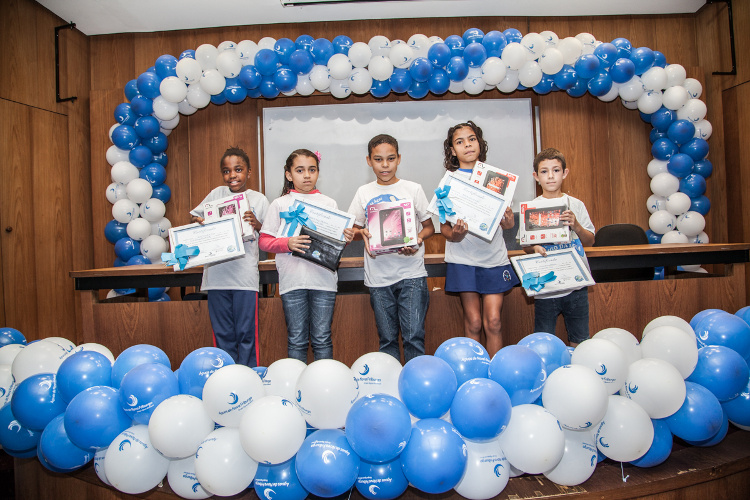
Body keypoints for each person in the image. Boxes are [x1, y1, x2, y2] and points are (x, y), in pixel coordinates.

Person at [259, 149, 354, 362]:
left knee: (322, 338)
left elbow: (335, 246)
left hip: (324, 281)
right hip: (293, 281)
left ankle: (325, 387)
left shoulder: (329, 203)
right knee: (296, 339)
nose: (307, 175)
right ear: (289, 175)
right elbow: (264, 241)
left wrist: (345, 237)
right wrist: (287, 243)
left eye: (312, 170)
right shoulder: (280, 204)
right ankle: (296, 388)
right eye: (300, 170)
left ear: (318, 172)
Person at [348, 134, 435, 363]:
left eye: (390, 158)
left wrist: (416, 239)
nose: (385, 165)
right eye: (378, 159)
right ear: (369, 161)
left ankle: (415, 387)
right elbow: (353, 231)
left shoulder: (413, 189)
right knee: (387, 339)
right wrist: (362, 233)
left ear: (399, 159)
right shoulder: (363, 192)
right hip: (378, 277)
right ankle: (390, 386)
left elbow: (429, 228)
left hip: (412, 274)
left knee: (413, 337)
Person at [440, 121, 517, 357]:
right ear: (453, 150)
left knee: (493, 321)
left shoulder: (497, 179)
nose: (467, 145)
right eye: (460, 142)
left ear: (480, 143)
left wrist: (508, 221)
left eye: (472, 139)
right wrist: (455, 234)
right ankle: (474, 378)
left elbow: (508, 224)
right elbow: (444, 227)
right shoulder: (448, 181)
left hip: (494, 258)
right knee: (473, 323)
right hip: (463, 259)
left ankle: (495, 376)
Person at [189, 147, 269, 367]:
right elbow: (196, 219)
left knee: (246, 333)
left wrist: (257, 224)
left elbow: (269, 237)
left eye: (238, 169)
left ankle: (250, 376)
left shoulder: (259, 199)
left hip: (244, 278)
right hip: (216, 277)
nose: (232, 175)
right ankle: (227, 376)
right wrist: (200, 224)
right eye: (227, 171)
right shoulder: (216, 194)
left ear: (249, 172)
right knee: (223, 334)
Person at [522, 147, 595, 347]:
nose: (551, 176)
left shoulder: (576, 204)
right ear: (536, 176)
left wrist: (576, 225)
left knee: (580, 341)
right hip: (546, 288)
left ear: (565, 173)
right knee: (543, 342)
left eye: (556, 170)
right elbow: (525, 245)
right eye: (544, 172)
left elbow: (590, 241)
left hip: (576, 286)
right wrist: (534, 248)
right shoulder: (530, 207)